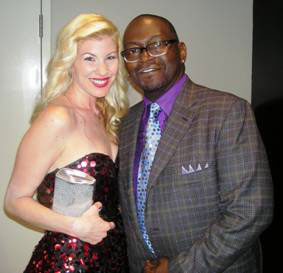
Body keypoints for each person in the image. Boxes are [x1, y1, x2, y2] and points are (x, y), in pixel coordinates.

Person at [118, 14, 273, 273]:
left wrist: (179, 268)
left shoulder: (227, 112)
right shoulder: (127, 124)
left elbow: (251, 210)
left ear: (181, 51)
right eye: (133, 51)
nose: (145, 58)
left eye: (156, 45)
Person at [4, 13, 129, 272]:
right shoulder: (58, 117)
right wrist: (76, 226)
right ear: (71, 61)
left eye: (110, 57)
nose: (103, 70)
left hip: (113, 257)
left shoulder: (105, 113)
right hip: (69, 261)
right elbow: (15, 200)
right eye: (89, 59)